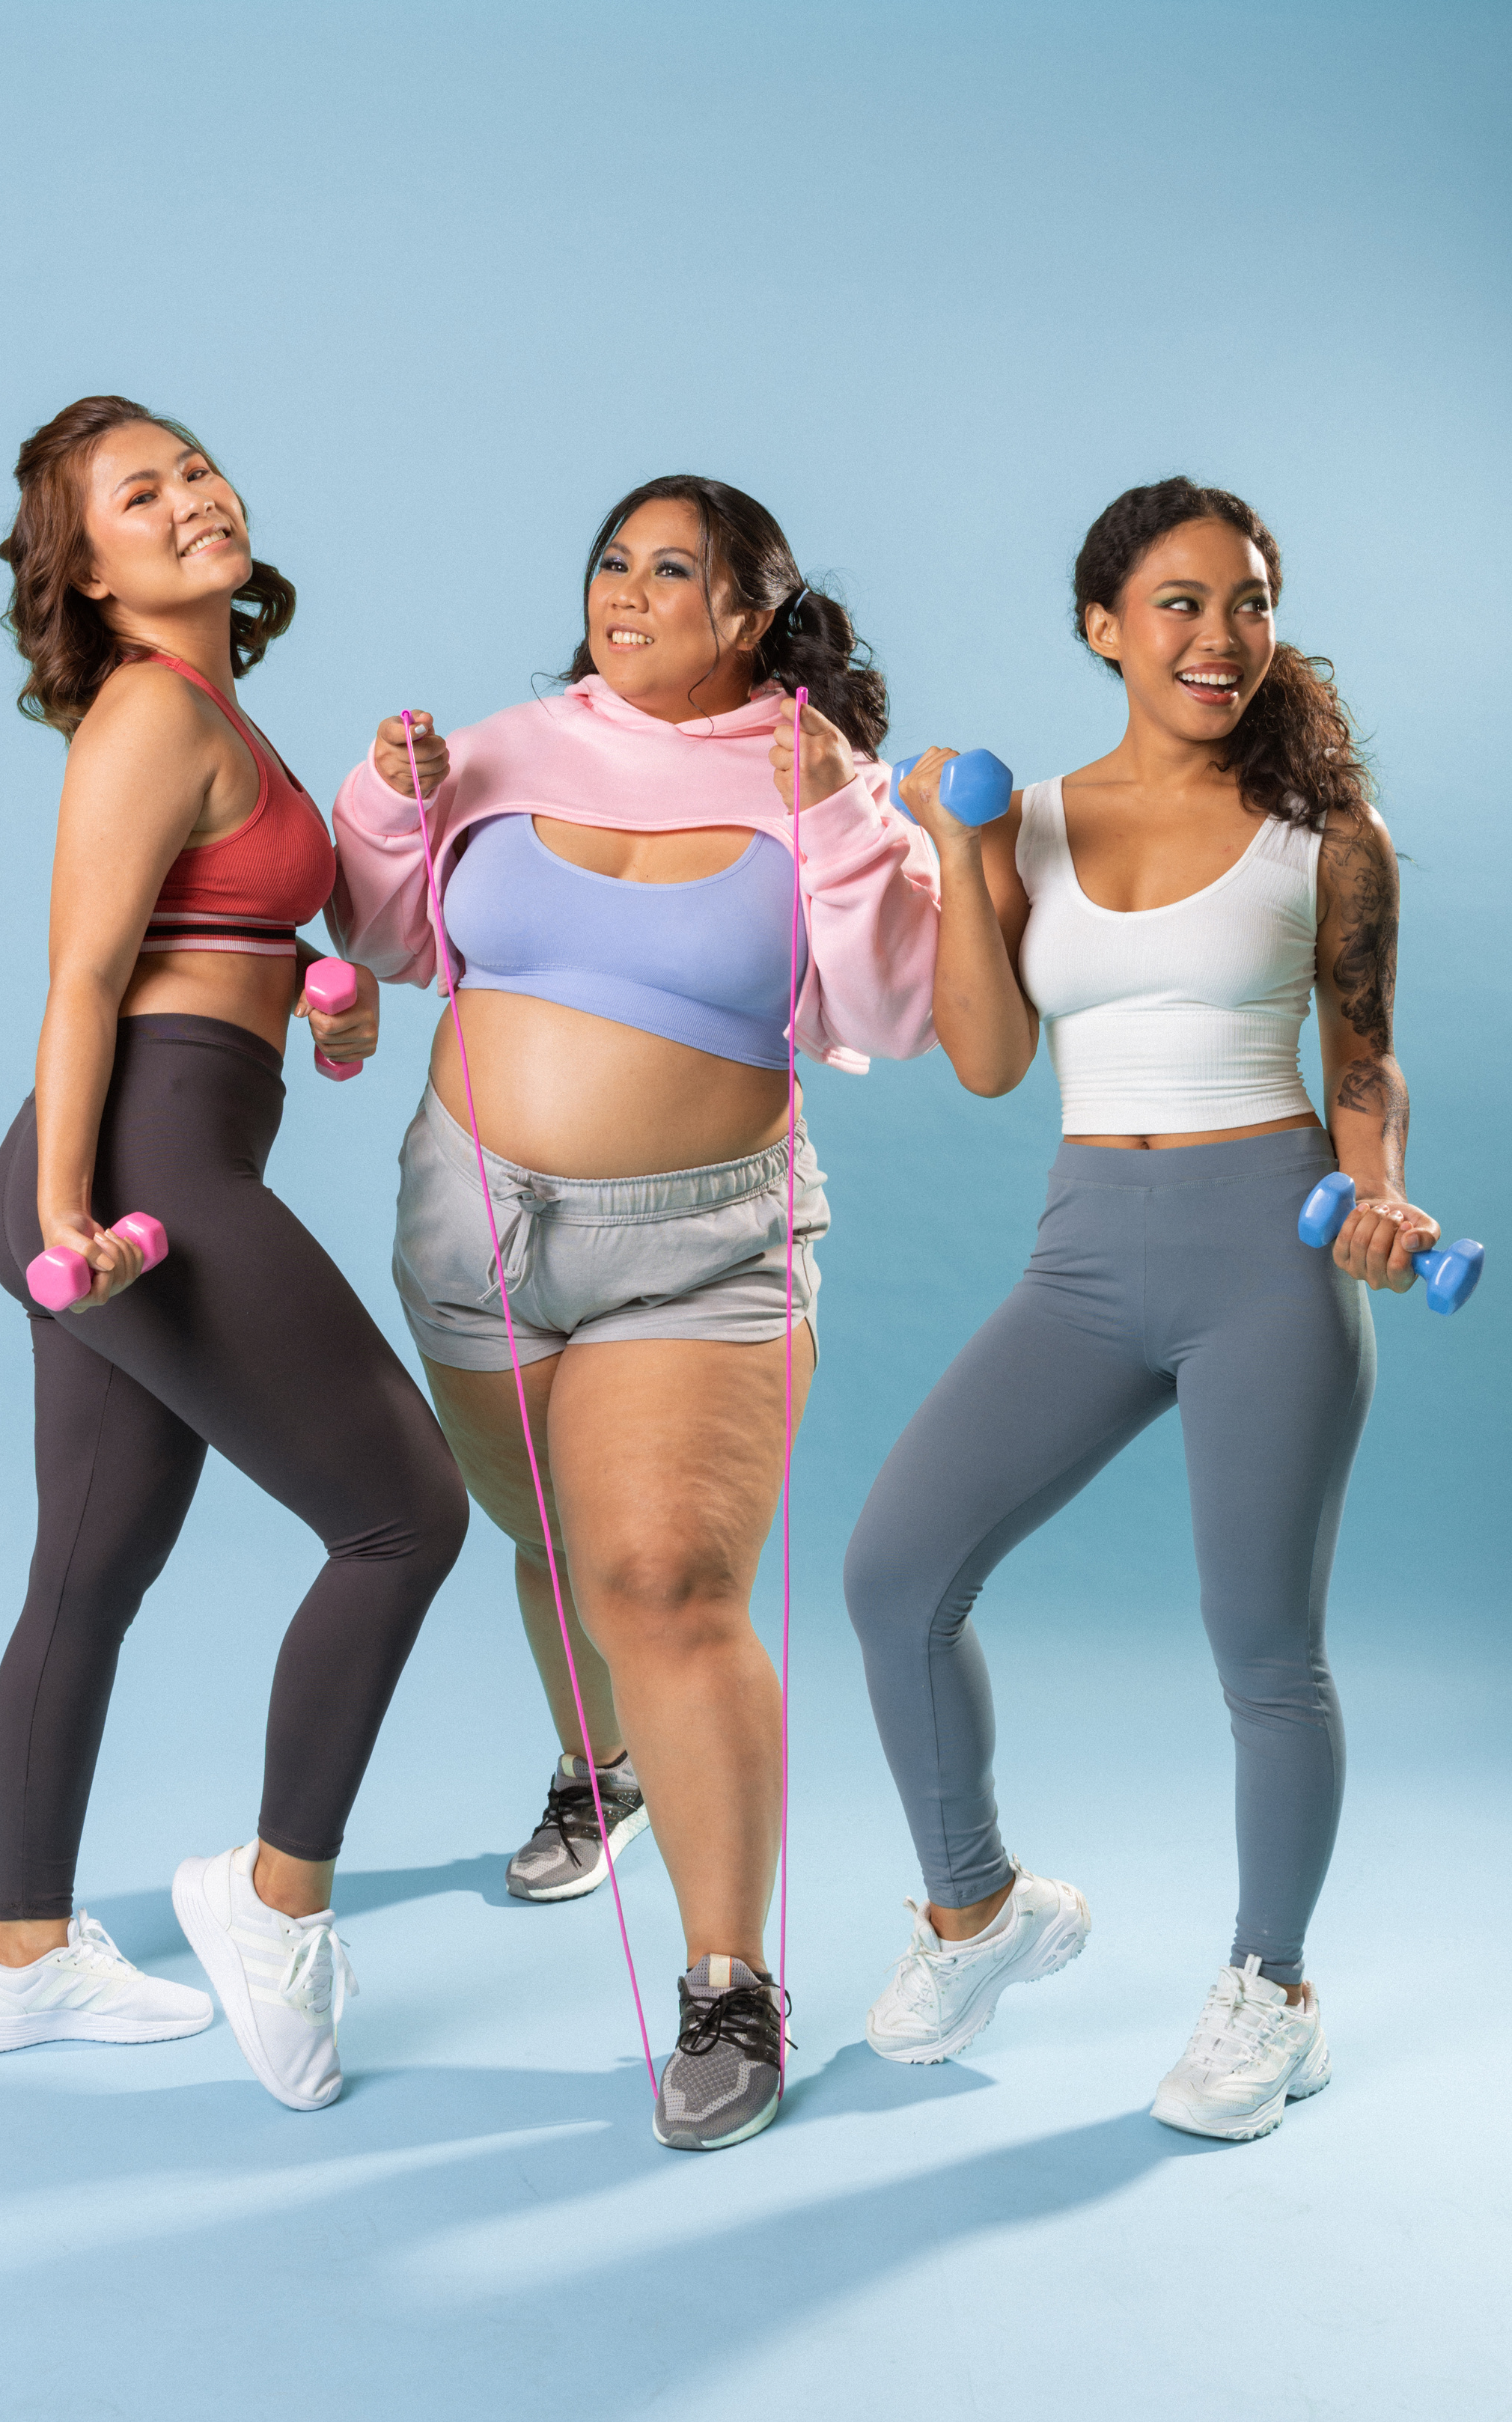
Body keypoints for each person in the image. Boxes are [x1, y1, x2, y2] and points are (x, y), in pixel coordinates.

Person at [329, 475, 941, 2147]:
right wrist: (387, 805)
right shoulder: (504, 746)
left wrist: (838, 823)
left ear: (750, 611)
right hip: (471, 1216)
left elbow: (894, 1008)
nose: (627, 590)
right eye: (612, 560)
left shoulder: (814, 772)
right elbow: (383, 937)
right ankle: (598, 1771)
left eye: (673, 569)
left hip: (699, 1243)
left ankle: (728, 1982)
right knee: (549, 1542)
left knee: (661, 1576)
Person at [844, 477, 1437, 2141]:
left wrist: (1380, 1192)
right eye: (1178, 603)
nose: (1218, 635)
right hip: (1086, 1255)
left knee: (1263, 1653)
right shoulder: (1021, 819)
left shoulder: (1329, 835)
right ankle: (978, 1910)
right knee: (895, 1575)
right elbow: (983, 1062)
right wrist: (963, 852)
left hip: (1269, 1254)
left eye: (1247, 601)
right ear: (1102, 627)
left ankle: (1271, 1993)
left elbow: (1364, 1059)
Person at [0, 396, 469, 2114]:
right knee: (405, 1516)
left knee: (88, 1572)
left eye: (192, 467)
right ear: (86, 573)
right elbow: (86, 977)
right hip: (133, 1173)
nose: (189, 498)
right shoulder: (148, 712)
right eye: (136, 495)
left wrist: (316, 994)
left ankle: (18, 1956)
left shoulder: (215, 703)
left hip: (152, 1150)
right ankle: (270, 1901)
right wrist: (69, 1211)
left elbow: (214, 934)